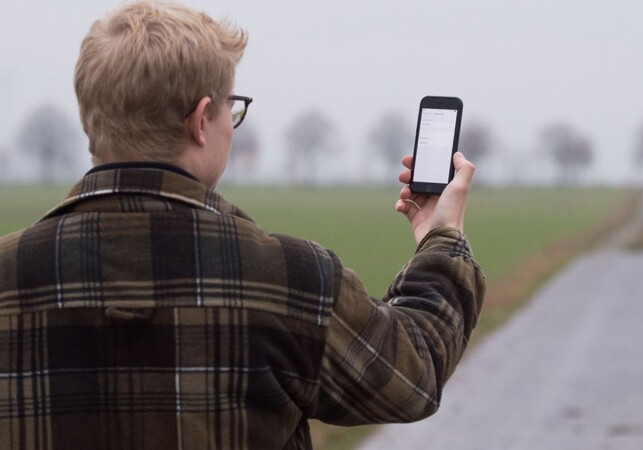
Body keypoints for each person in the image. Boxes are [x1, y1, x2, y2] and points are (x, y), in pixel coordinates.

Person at [0, 1, 484, 449]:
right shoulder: (293, 278)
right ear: (200, 120)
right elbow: (412, 376)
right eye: (231, 108)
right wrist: (441, 238)